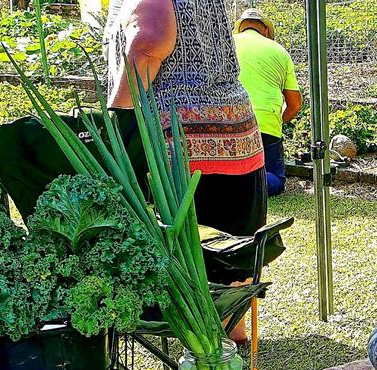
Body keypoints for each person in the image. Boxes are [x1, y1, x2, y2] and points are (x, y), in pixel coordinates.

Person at [103, 0, 266, 240]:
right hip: (238, 139)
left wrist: (117, 120)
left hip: (182, 151)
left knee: (185, 267)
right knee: (232, 264)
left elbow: (148, 44)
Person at [233, 9, 302, 196]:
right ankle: (251, 185)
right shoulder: (279, 51)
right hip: (266, 123)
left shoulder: (227, 45)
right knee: (276, 178)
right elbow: (295, 105)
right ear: (265, 30)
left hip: (229, 121)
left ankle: (230, 183)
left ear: (240, 29)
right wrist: (278, 121)